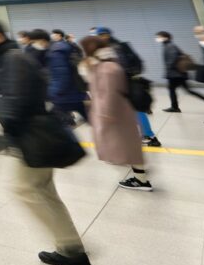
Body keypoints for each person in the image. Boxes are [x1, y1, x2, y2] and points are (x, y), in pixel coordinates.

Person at [0, 18, 91, 265]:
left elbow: (19, 99)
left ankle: (71, 247)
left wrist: (9, 132)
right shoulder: (10, 56)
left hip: (29, 135)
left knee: (22, 188)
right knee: (45, 191)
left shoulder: (12, 58)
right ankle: (70, 249)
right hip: (34, 133)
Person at [80, 35, 151, 191]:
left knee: (127, 146)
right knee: (127, 145)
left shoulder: (107, 68)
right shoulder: (108, 63)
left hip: (115, 113)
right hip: (118, 112)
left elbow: (109, 93)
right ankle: (140, 176)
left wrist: (105, 114)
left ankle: (141, 180)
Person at [95, 27, 160, 148]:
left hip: (119, 84)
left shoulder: (110, 48)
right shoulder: (121, 45)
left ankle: (145, 136)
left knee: (126, 111)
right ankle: (148, 136)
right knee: (135, 110)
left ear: (106, 35)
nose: (101, 37)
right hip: (125, 82)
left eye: (101, 35)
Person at [40, 29, 86, 126]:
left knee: (57, 120)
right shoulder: (61, 48)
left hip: (66, 93)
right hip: (73, 90)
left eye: (55, 35)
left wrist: (52, 92)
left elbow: (61, 75)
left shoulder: (56, 51)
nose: (54, 36)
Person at [159, 31, 204, 112]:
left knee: (177, 90)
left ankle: (175, 107)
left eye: (159, 37)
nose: (158, 39)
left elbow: (172, 60)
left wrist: (168, 69)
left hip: (175, 74)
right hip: (177, 74)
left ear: (166, 37)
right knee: (184, 90)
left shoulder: (170, 46)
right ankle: (174, 107)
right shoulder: (168, 45)